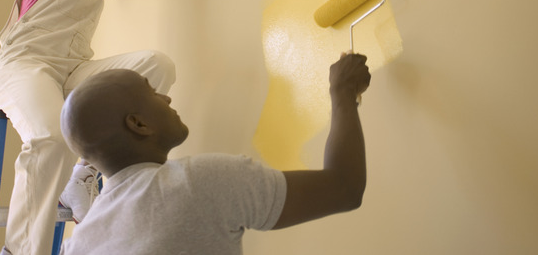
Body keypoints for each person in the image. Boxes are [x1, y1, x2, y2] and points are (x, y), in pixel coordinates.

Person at [0, 0, 184, 255]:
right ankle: (21, 251)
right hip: (25, 65)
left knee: (156, 66)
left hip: (72, 69)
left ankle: (84, 174)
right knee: (51, 138)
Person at [58, 52, 371, 254]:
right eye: (152, 92)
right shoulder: (197, 183)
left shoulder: (78, 246)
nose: (166, 99)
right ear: (138, 124)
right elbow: (344, 188)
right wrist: (343, 92)